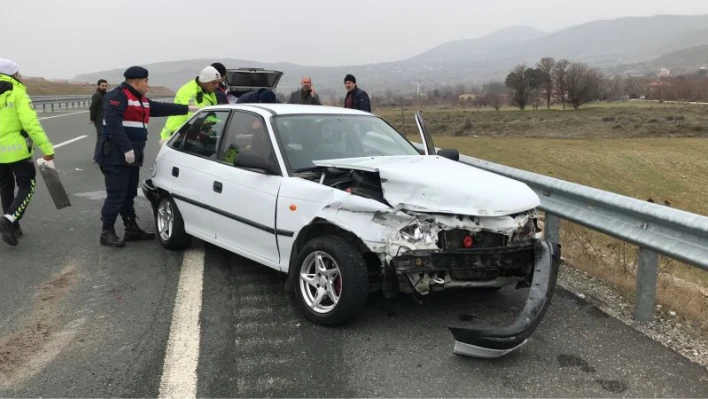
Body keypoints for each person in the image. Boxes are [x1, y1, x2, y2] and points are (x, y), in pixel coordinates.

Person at [97, 65, 197, 248]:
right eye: (146, 81)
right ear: (136, 82)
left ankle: (131, 228)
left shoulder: (140, 99)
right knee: (116, 194)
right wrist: (126, 148)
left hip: (133, 153)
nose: (148, 85)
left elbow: (158, 108)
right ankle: (107, 231)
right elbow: (113, 123)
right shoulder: (116, 96)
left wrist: (187, 109)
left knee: (129, 193)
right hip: (115, 154)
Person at [0, 58, 55, 246]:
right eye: (18, 73)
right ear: (13, 74)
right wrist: (47, 148)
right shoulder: (17, 92)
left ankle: (13, 225)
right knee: (27, 186)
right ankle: (8, 219)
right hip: (17, 151)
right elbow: (31, 124)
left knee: (5, 186)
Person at [159, 66, 221, 143]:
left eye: (218, 82)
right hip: (175, 136)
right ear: (205, 82)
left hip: (192, 134)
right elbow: (194, 117)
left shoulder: (209, 92)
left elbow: (211, 112)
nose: (217, 86)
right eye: (214, 83)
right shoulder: (188, 92)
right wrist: (219, 121)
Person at [89, 79, 108, 162]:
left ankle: (101, 156)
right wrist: (92, 118)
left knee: (103, 137)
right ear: (98, 86)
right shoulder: (97, 95)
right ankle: (96, 157)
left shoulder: (105, 95)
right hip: (99, 120)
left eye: (105, 86)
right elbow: (92, 107)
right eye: (102, 86)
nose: (104, 87)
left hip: (105, 120)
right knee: (101, 137)